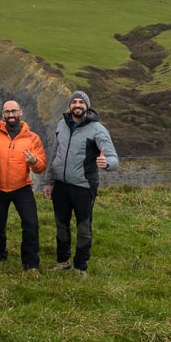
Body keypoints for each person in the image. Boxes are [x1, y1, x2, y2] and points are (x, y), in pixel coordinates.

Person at [43, 91, 119, 275]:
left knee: (83, 227)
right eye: (74, 102)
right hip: (61, 185)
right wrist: (49, 180)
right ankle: (63, 261)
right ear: (70, 105)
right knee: (61, 224)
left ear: (87, 106)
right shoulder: (62, 124)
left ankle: (80, 266)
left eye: (81, 102)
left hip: (84, 186)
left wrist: (106, 163)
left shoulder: (98, 129)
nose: (77, 105)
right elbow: (55, 153)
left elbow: (113, 158)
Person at [0, 100, 47, 274]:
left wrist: (34, 161)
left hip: (22, 188)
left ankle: (31, 263)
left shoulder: (32, 138)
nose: (10, 115)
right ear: (3, 114)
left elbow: (41, 167)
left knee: (31, 225)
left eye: (13, 111)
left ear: (20, 112)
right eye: (7, 112)